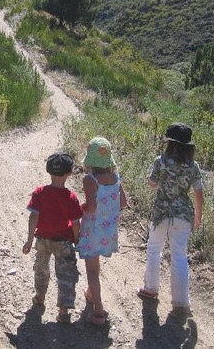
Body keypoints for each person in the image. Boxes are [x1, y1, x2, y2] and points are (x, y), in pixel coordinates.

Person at [137, 122, 204, 318]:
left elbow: (152, 183)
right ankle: (181, 303)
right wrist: (198, 217)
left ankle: (151, 289)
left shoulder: (161, 161)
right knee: (180, 257)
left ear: (170, 144)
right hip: (183, 214)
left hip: (161, 213)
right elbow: (198, 193)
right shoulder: (193, 166)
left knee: (154, 249)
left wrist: (152, 180)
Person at [22, 152, 83, 324]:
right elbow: (76, 222)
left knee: (41, 268)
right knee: (66, 274)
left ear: (48, 171)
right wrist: (76, 238)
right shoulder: (71, 197)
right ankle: (63, 311)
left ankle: (40, 297)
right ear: (70, 173)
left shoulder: (39, 192)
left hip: (42, 239)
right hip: (63, 241)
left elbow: (33, 217)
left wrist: (29, 240)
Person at [76, 137, 127, 325]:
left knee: (91, 271)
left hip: (92, 229)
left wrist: (79, 207)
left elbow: (90, 207)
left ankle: (98, 311)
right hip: (108, 231)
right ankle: (91, 293)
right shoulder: (116, 178)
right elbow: (123, 203)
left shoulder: (89, 180)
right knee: (95, 268)